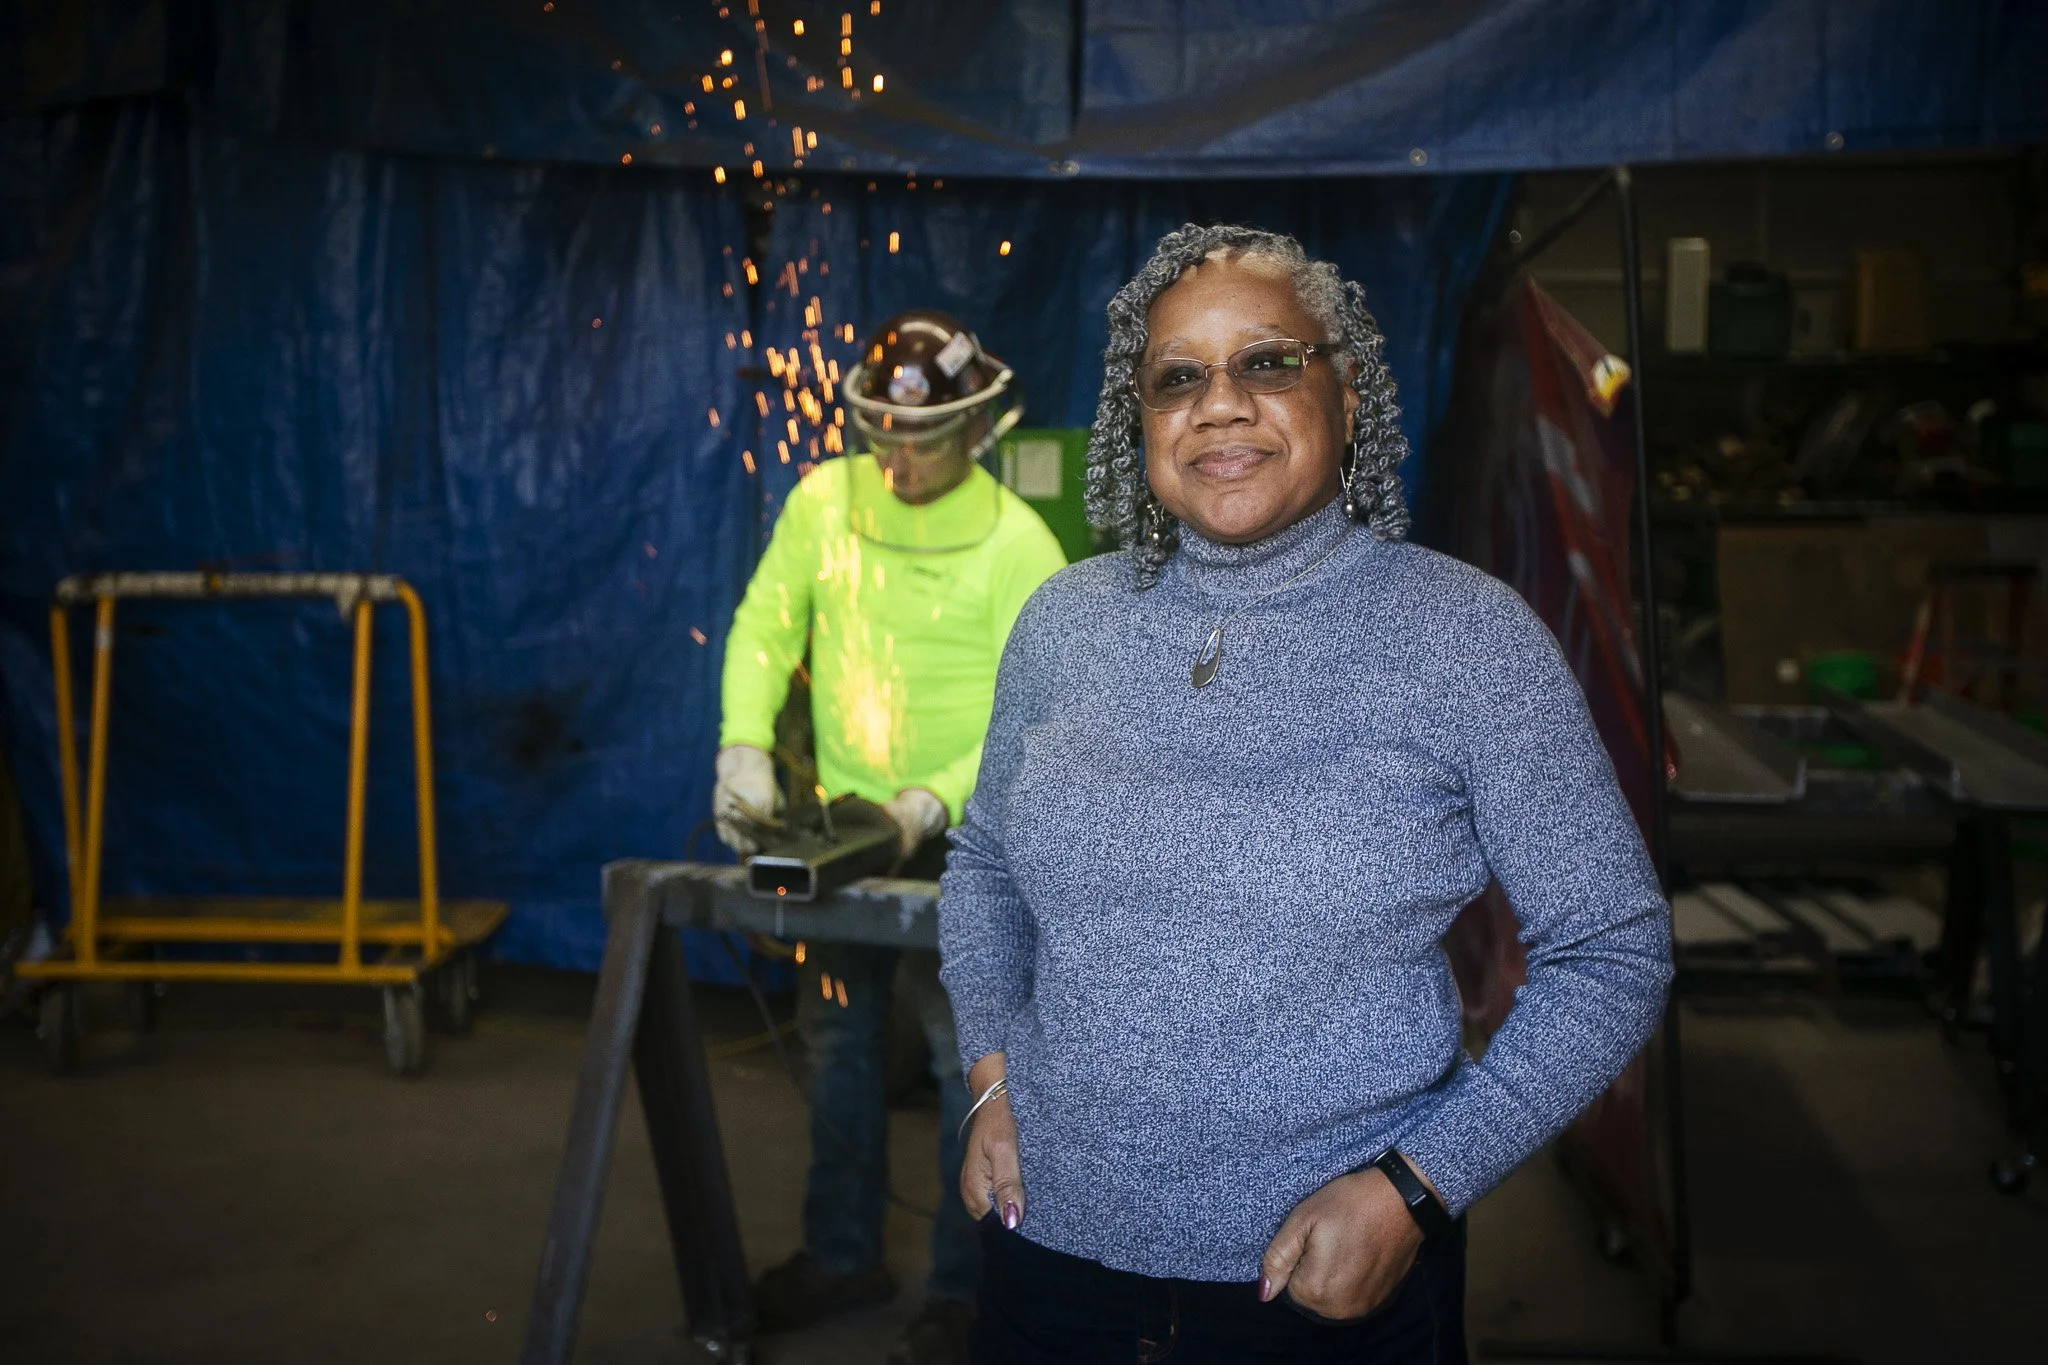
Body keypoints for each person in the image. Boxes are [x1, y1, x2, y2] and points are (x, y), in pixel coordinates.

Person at [939, 226, 1673, 1363]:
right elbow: (983, 864)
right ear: (1141, 426)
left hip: (1327, 1290)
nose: (1218, 404)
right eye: (1175, 378)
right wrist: (988, 1081)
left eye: (1266, 362)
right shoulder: (1064, 625)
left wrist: (1414, 1192)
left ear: (1349, 391)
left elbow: (1612, 951)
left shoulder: (1465, 641)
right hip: (1047, 1269)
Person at [715, 309, 1067, 1364]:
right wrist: (740, 744)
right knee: (836, 1039)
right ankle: (840, 1255)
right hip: (844, 831)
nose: (898, 457)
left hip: (970, 845)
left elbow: (1037, 712)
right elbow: (765, 621)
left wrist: (937, 798)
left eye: (921, 436)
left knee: (976, 1061)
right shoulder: (827, 501)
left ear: (975, 428)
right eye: (883, 434)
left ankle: (966, 1293)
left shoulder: (1019, 544)